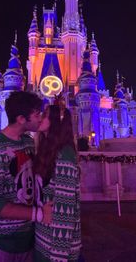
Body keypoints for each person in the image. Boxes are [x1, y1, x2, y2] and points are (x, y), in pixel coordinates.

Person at [0, 91, 52, 262]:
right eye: (37, 114)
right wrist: (39, 215)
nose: (40, 118)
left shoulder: (28, 142)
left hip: (25, 242)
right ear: (21, 119)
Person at [33, 105, 81, 262]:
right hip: (42, 241)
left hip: (57, 249)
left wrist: (58, 256)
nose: (40, 117)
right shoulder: (46, 150)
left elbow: (65, 209)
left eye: (45, 115)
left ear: (56, 121)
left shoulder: (65, 154)